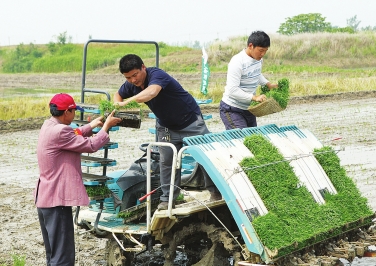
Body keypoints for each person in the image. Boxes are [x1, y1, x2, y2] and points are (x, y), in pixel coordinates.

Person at [114, 54, 221, 210]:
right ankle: (168, 199)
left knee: (204, 157)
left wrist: (127, 102)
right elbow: (119, 94)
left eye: (135, 75)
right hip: (166, 126)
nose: (133, 80)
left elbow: (151, 93)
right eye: (128, 77)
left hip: (190, 121)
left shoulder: (157, 75)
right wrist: (117, 103)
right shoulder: (131, 84)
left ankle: (216, 193)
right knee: (167, 162)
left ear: (143, 67)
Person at [34, 93, 121, 266]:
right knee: (63, 258)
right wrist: (105, 128)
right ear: (66, 112)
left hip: (45, 200)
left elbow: (72, 134)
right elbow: (90, 145)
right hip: (56, 201)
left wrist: (91, 125)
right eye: (73, 111)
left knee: (53, 255)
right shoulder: (61, 131)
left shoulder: (49, 125)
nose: (74, 115)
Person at [220, 30, 278, 130]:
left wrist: (268, 84)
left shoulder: (258, 59)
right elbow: (232, 90)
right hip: (232, 108)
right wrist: (254, 98)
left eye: (265, 51)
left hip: (249, 108)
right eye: (260, 50)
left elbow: (256, 74)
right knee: (241, 139)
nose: (263, 54)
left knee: (253, 139)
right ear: (251, 46)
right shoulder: (237, 61)